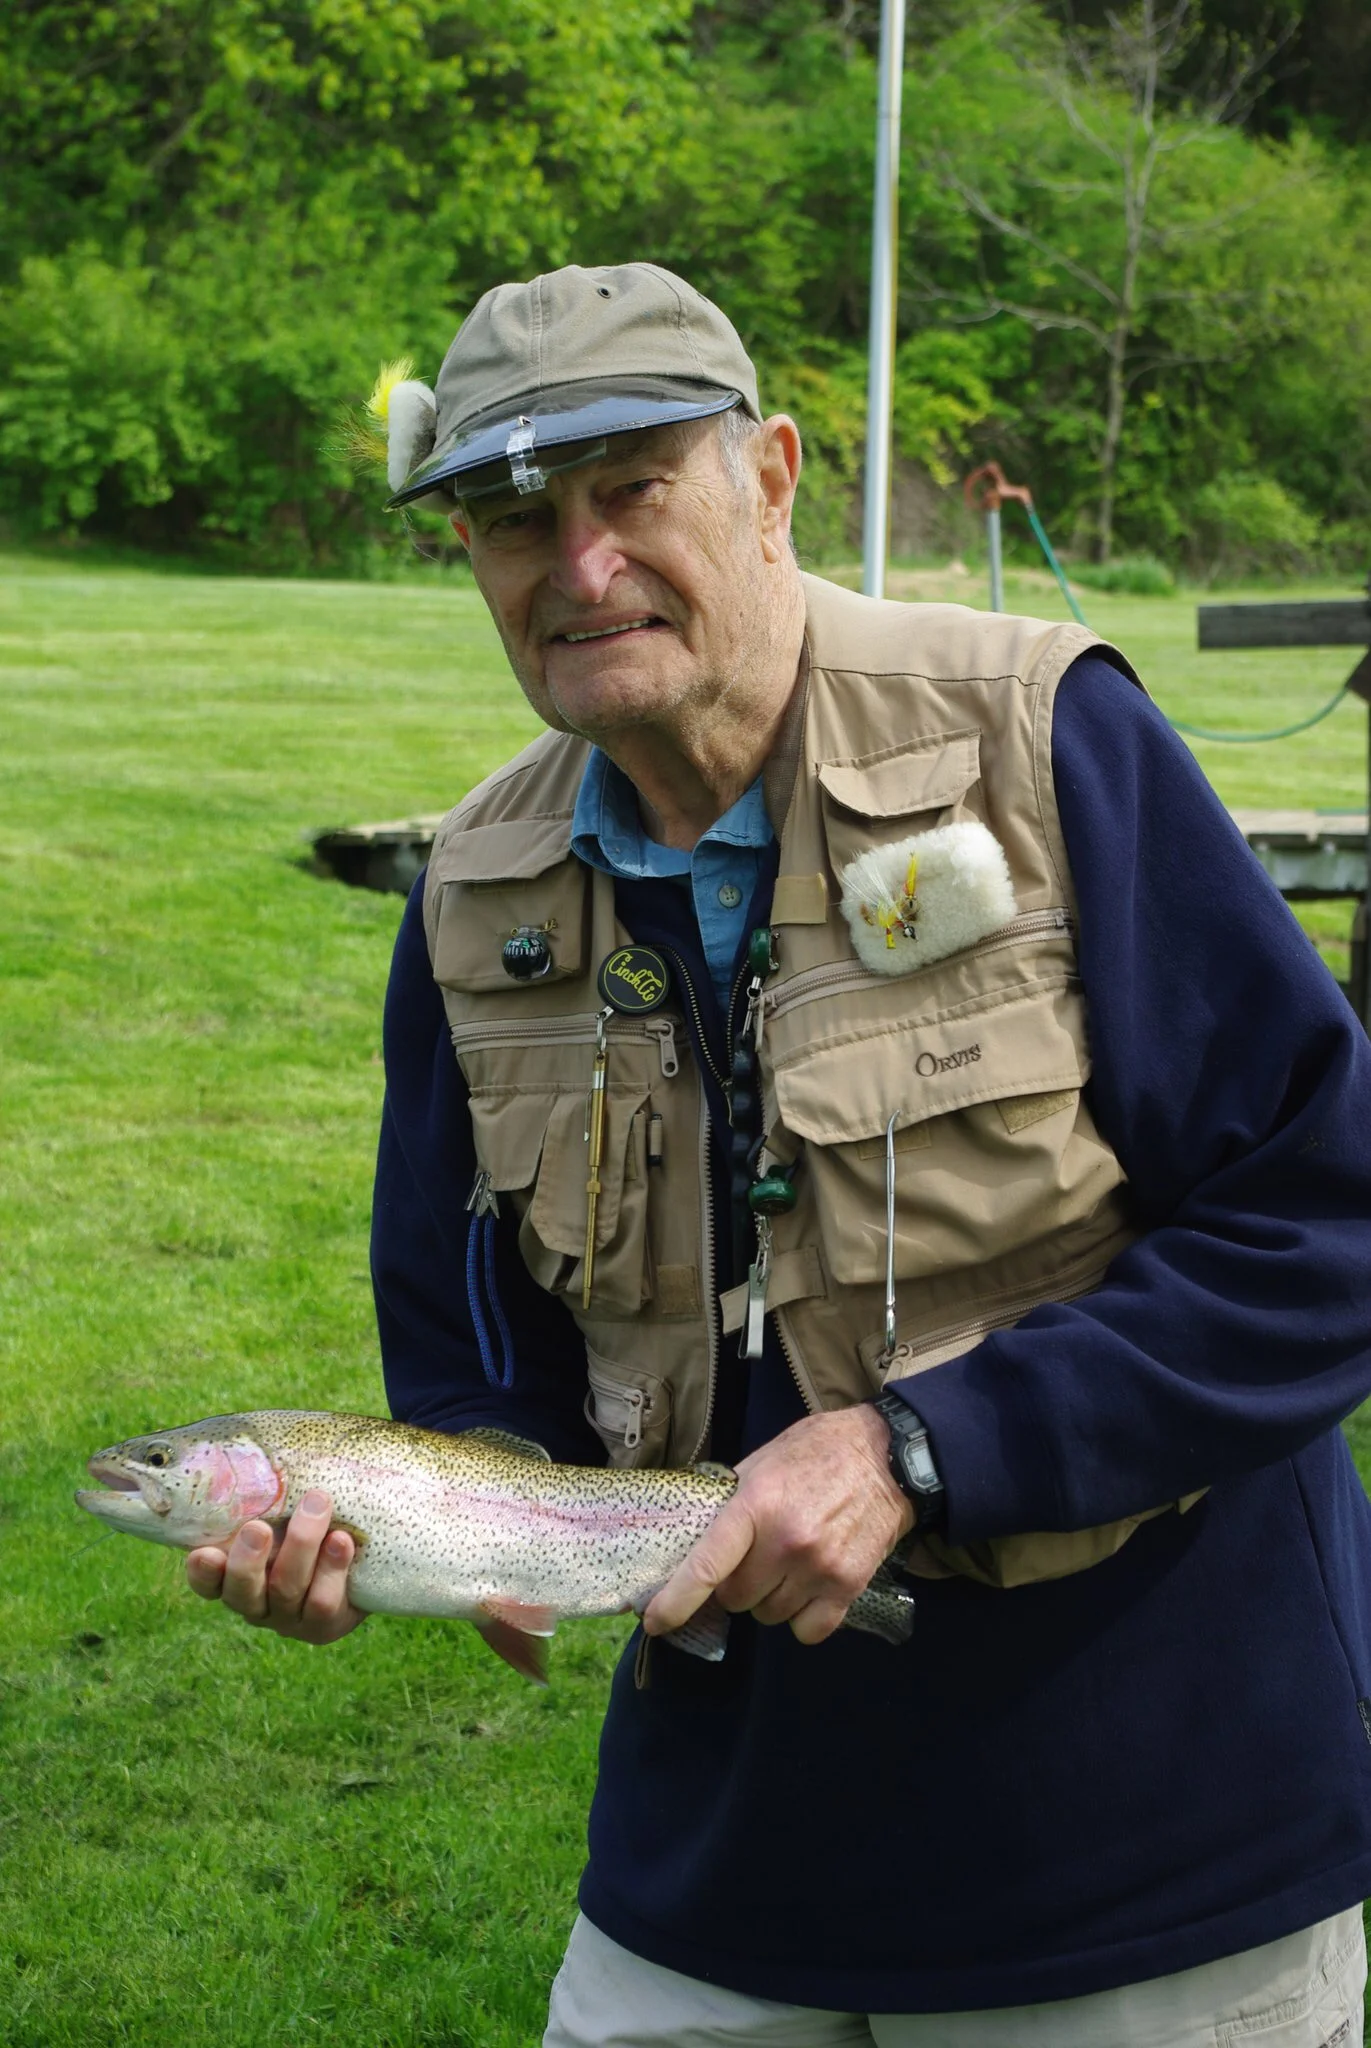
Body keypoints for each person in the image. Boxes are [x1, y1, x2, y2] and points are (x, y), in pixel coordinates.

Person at [187, 262, 1371, 2046]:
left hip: (1140, 1832)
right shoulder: (470, 899)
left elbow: (1324, 1219)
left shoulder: (1043, 738)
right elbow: (473, 1372)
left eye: (630, 490)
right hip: (718, 1847)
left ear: (771, 478)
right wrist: (408, 1533)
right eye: (512, 520)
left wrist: (920, 1448)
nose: (576, 570)